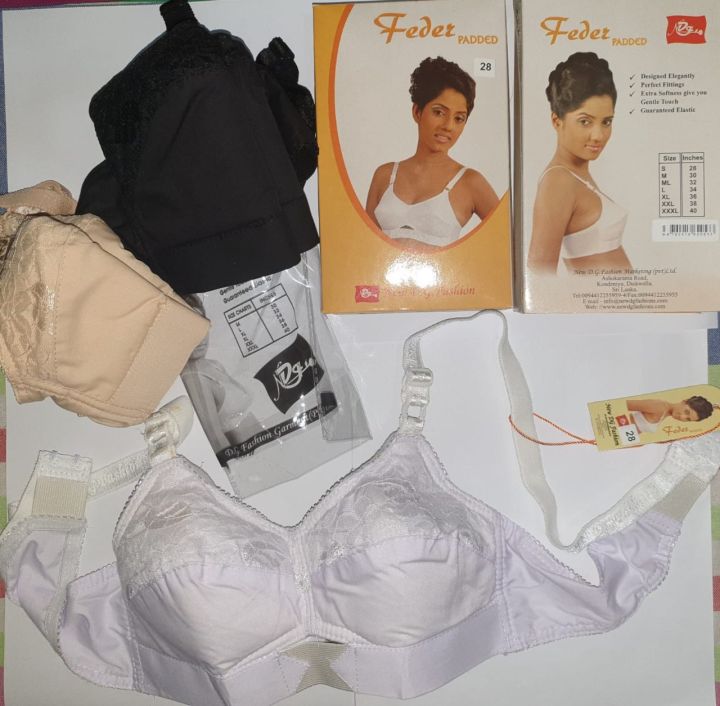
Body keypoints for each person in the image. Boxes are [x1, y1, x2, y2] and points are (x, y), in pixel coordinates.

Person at [365, 56, 499, 250]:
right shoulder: (384, 176)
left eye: (459, 118)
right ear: (417, 112)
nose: (448, 126)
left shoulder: (470, 183)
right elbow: (365, 247)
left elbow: (507, 242)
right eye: (439, 112)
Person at [528, 52, 630, 274]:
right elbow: (539, 274)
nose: (598, 136)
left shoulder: (576, 174)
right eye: (585, 121)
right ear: (557, 121)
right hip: (597, 298)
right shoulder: (558, 181)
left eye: (606, 122)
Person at [626, 395, 719, 434]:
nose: (682, 417)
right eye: (686, 412)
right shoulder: (659, 406)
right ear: (685, 401)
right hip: (617, 431)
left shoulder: (664, 414)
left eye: (688, 419)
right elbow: (621, 405)